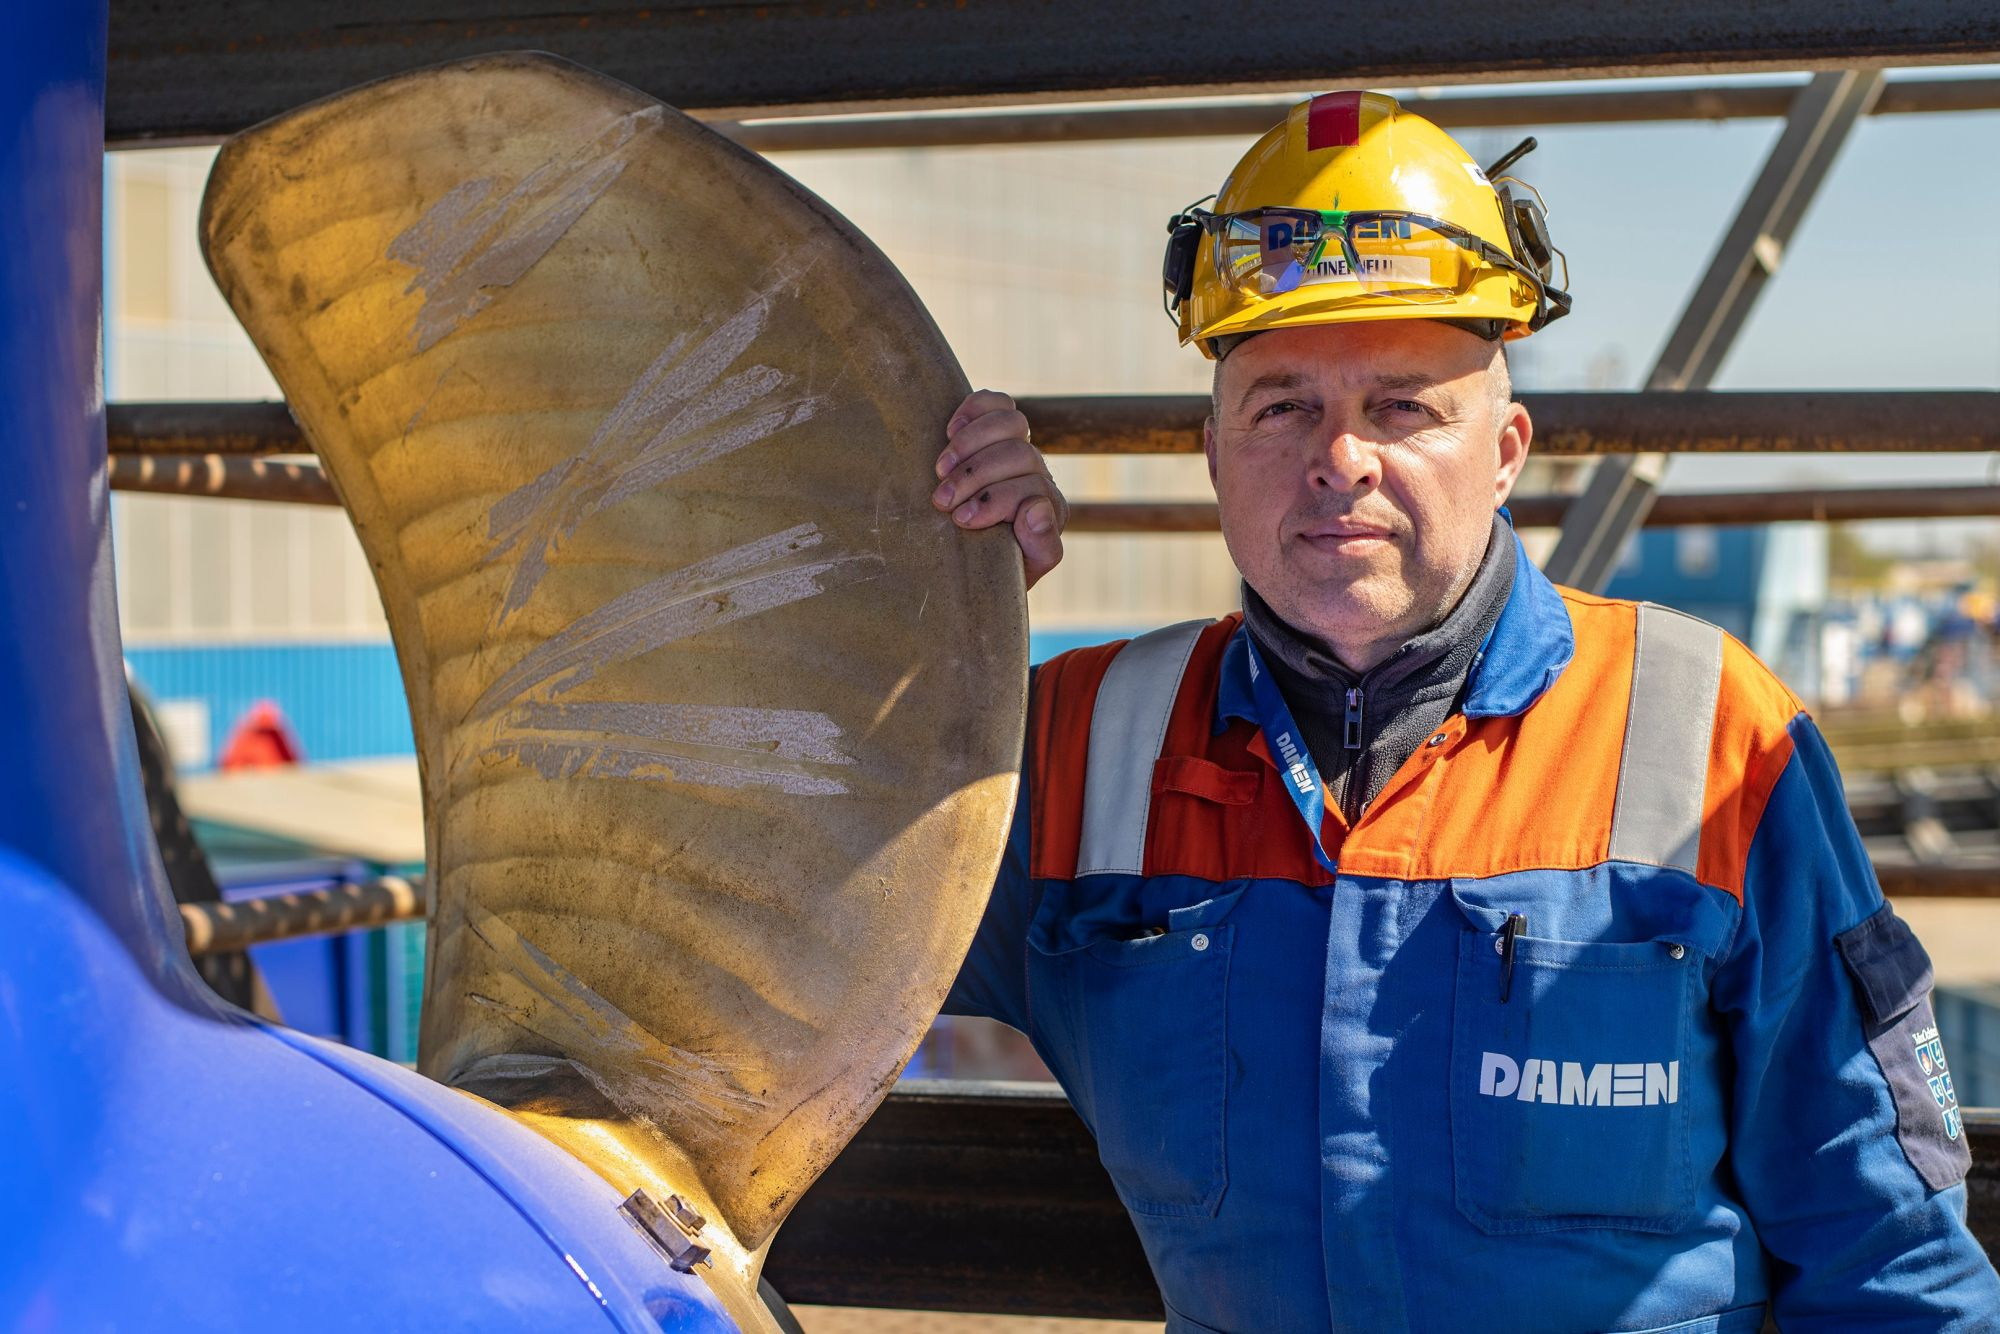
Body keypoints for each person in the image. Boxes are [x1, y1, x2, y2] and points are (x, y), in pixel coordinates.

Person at [927, 91, 2000, 1332]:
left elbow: (1891, 1268)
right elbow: (759, 917)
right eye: (1281, 404)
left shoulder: (1709, 739)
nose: (1341, 457)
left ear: (1504, 449)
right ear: (1213, 456)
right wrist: (921, 592)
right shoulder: (1072, 748)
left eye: (1402, 406)